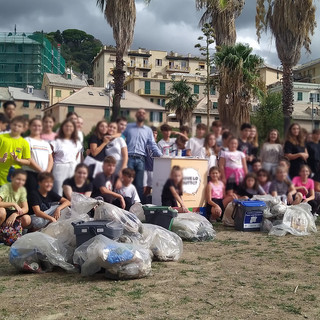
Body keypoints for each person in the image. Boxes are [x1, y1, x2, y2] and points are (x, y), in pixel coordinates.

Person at [123, 109, 162, 200]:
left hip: (141, 159)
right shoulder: (128, 127)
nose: (141, 114)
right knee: (127, 182)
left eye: (143, 113)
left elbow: (152, 144)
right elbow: (121, 137)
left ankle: (138, 206)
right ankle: (127, 203)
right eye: (139, 112)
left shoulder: (148, 130)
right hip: (129, 158)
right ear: (136, 114)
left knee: (139, 184)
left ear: (145, 116)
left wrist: (161, 155)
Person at [50, 119, 82, 195]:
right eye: (66, 126)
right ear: (62, 128)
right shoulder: (56, 142)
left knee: (72, 192)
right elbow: (51, 157)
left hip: (72, 168)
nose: (68, 128)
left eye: (71, 126)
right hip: (59, 168)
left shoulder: (77, 142)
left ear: (74, 128)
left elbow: (76, 156)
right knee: (58, 192)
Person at [23, 118, 53, 194]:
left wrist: (47, 172)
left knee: (43, 196)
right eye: (34, 125)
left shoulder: (45, 143)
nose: (37, 128)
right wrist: (41, 171)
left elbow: (50, 159)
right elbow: (28, 158)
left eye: (39, 126)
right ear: (29, 127)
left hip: (44, 175)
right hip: (31, 173)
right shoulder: (26, 141)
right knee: (32, 195)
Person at [0, 116, 31, 186]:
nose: (16, 127)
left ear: (23, 129)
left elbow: (28, 161)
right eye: (14, 125)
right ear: (10, 125)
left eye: (19, 126)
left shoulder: (24, 142)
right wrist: (1, 159)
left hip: (16, 178)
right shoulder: (1, 138)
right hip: (1, 175)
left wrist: (18, 160)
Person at [143, 126, 158, 201]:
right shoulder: (145, 144)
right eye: (153, 133)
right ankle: (143, 201)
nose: (154, 135)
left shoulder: (157, 145)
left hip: (154, 168)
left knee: (151, 186)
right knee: (144, 187)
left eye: (156, 133)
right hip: (145, 168)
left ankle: (149, 201)